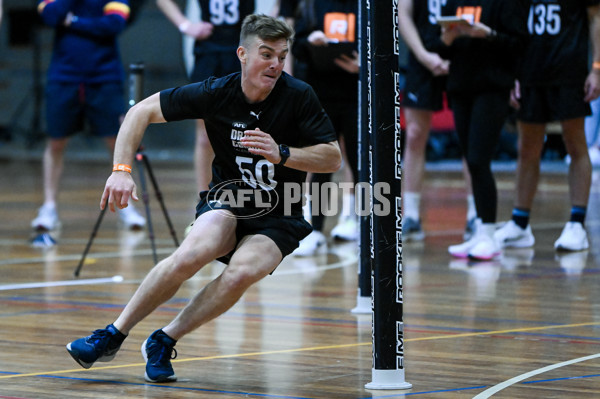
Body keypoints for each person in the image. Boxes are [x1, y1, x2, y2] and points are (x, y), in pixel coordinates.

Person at [65, 14, 342, 383]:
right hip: (228, 199)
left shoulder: (298, 96)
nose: (275, 64)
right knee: (191, 254)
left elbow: (332, 157)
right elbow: (139, 112)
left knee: (241, 272)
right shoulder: (216, 92)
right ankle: (112, 334)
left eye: (281, 55)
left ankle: (164, 339)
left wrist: (283, 153)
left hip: (280, 212)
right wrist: (121, 170)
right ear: (242, 54)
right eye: (266, 54)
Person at [495, 1, 600, 252]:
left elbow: (596, 18)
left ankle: (576, 223)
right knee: (527, 149)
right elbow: (514, 27)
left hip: (569, 70)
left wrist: (596, 68)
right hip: (530, 71)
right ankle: (520, 223)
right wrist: (512, 73)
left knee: (575, 145)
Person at [32, 0, 145, 231]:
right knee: (55, 142)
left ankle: (127, 207)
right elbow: (51, 15)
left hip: (105, 76)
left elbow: (113, 25)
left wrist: (72, 21)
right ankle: (49, 207)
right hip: (63, 76)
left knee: (117, 141)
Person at [440, 0, 528, 260]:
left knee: (479, 160)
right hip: (460, 87)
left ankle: (489, 235)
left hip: (492, 88)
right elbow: (440, 49)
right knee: (472, 160)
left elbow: (519, 44)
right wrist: (446, 38)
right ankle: (480, 232)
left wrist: (488, 34)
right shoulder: (453, 2)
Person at [398, 0, 477, 242]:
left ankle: (475, 213)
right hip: (423, 55)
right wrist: (423, 55)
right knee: (414, 134)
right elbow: (403, 14)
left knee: (470, 136)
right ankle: (410, 213)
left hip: (464, 54)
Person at [156, 0, 255, 193]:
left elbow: (286, 6)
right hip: (209, 56)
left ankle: (245, 203)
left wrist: (273, 23)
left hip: (244, 53)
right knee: (205, 137)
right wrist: (185, 25)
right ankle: (205, 203)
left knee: (246, 134)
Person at [291, 0, 360, 256]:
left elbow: (383, 49)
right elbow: (296, 46)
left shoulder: (363, 6)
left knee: (359, 162)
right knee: (321, 164)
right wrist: (312, 41)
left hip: (356, 96)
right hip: (321, 96)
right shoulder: (312, 5)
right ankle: (315, 229)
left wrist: (363, 64)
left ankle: (362, 224)